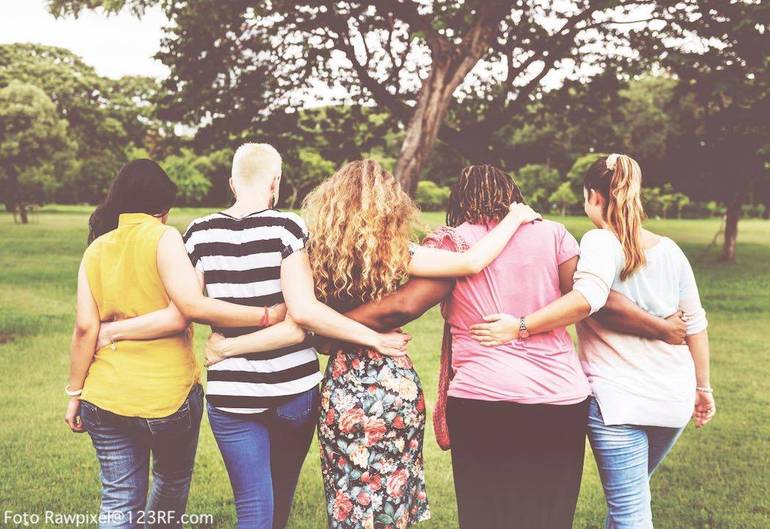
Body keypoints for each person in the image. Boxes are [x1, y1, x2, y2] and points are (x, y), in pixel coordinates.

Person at [313, 164, 688, 529]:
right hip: (560, 399)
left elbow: (403, 305)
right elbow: (593, 297)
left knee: (486, 514)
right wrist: (660, 327)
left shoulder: (454, 242)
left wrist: (332, 329)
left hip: (483, 399)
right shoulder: (554, 234)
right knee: (549, 517)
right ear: (513, 196)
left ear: (460, 200)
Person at [93, 146, 412, 529]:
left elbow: (190, 306)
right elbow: (305, 313)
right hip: (295, 388)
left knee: (252, 506)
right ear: (275, 182)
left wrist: (224, 344)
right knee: (279, 496)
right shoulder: (288, 228)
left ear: (231, 183)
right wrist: (373, 338)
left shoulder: (197, 232)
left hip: (232, 393)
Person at [470, 154, 715, 529]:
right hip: (672, 399)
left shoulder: (600, 240)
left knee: (631, 513)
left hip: (618, 404)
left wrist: (519, 325)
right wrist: (703, 387)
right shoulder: (671, 250)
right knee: (630, 502)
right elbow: (695, 324)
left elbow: (588, 299)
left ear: (593, 197)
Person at [65, 159, 295, 529]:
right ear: (163, 207)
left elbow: (83, 329)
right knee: (170, 480)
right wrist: (265, 315)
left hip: (103, 395)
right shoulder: (165, 236)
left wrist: (75, 393)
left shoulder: (96, 249)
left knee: (118, 499)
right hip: (167, 399)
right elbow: (184, 310)